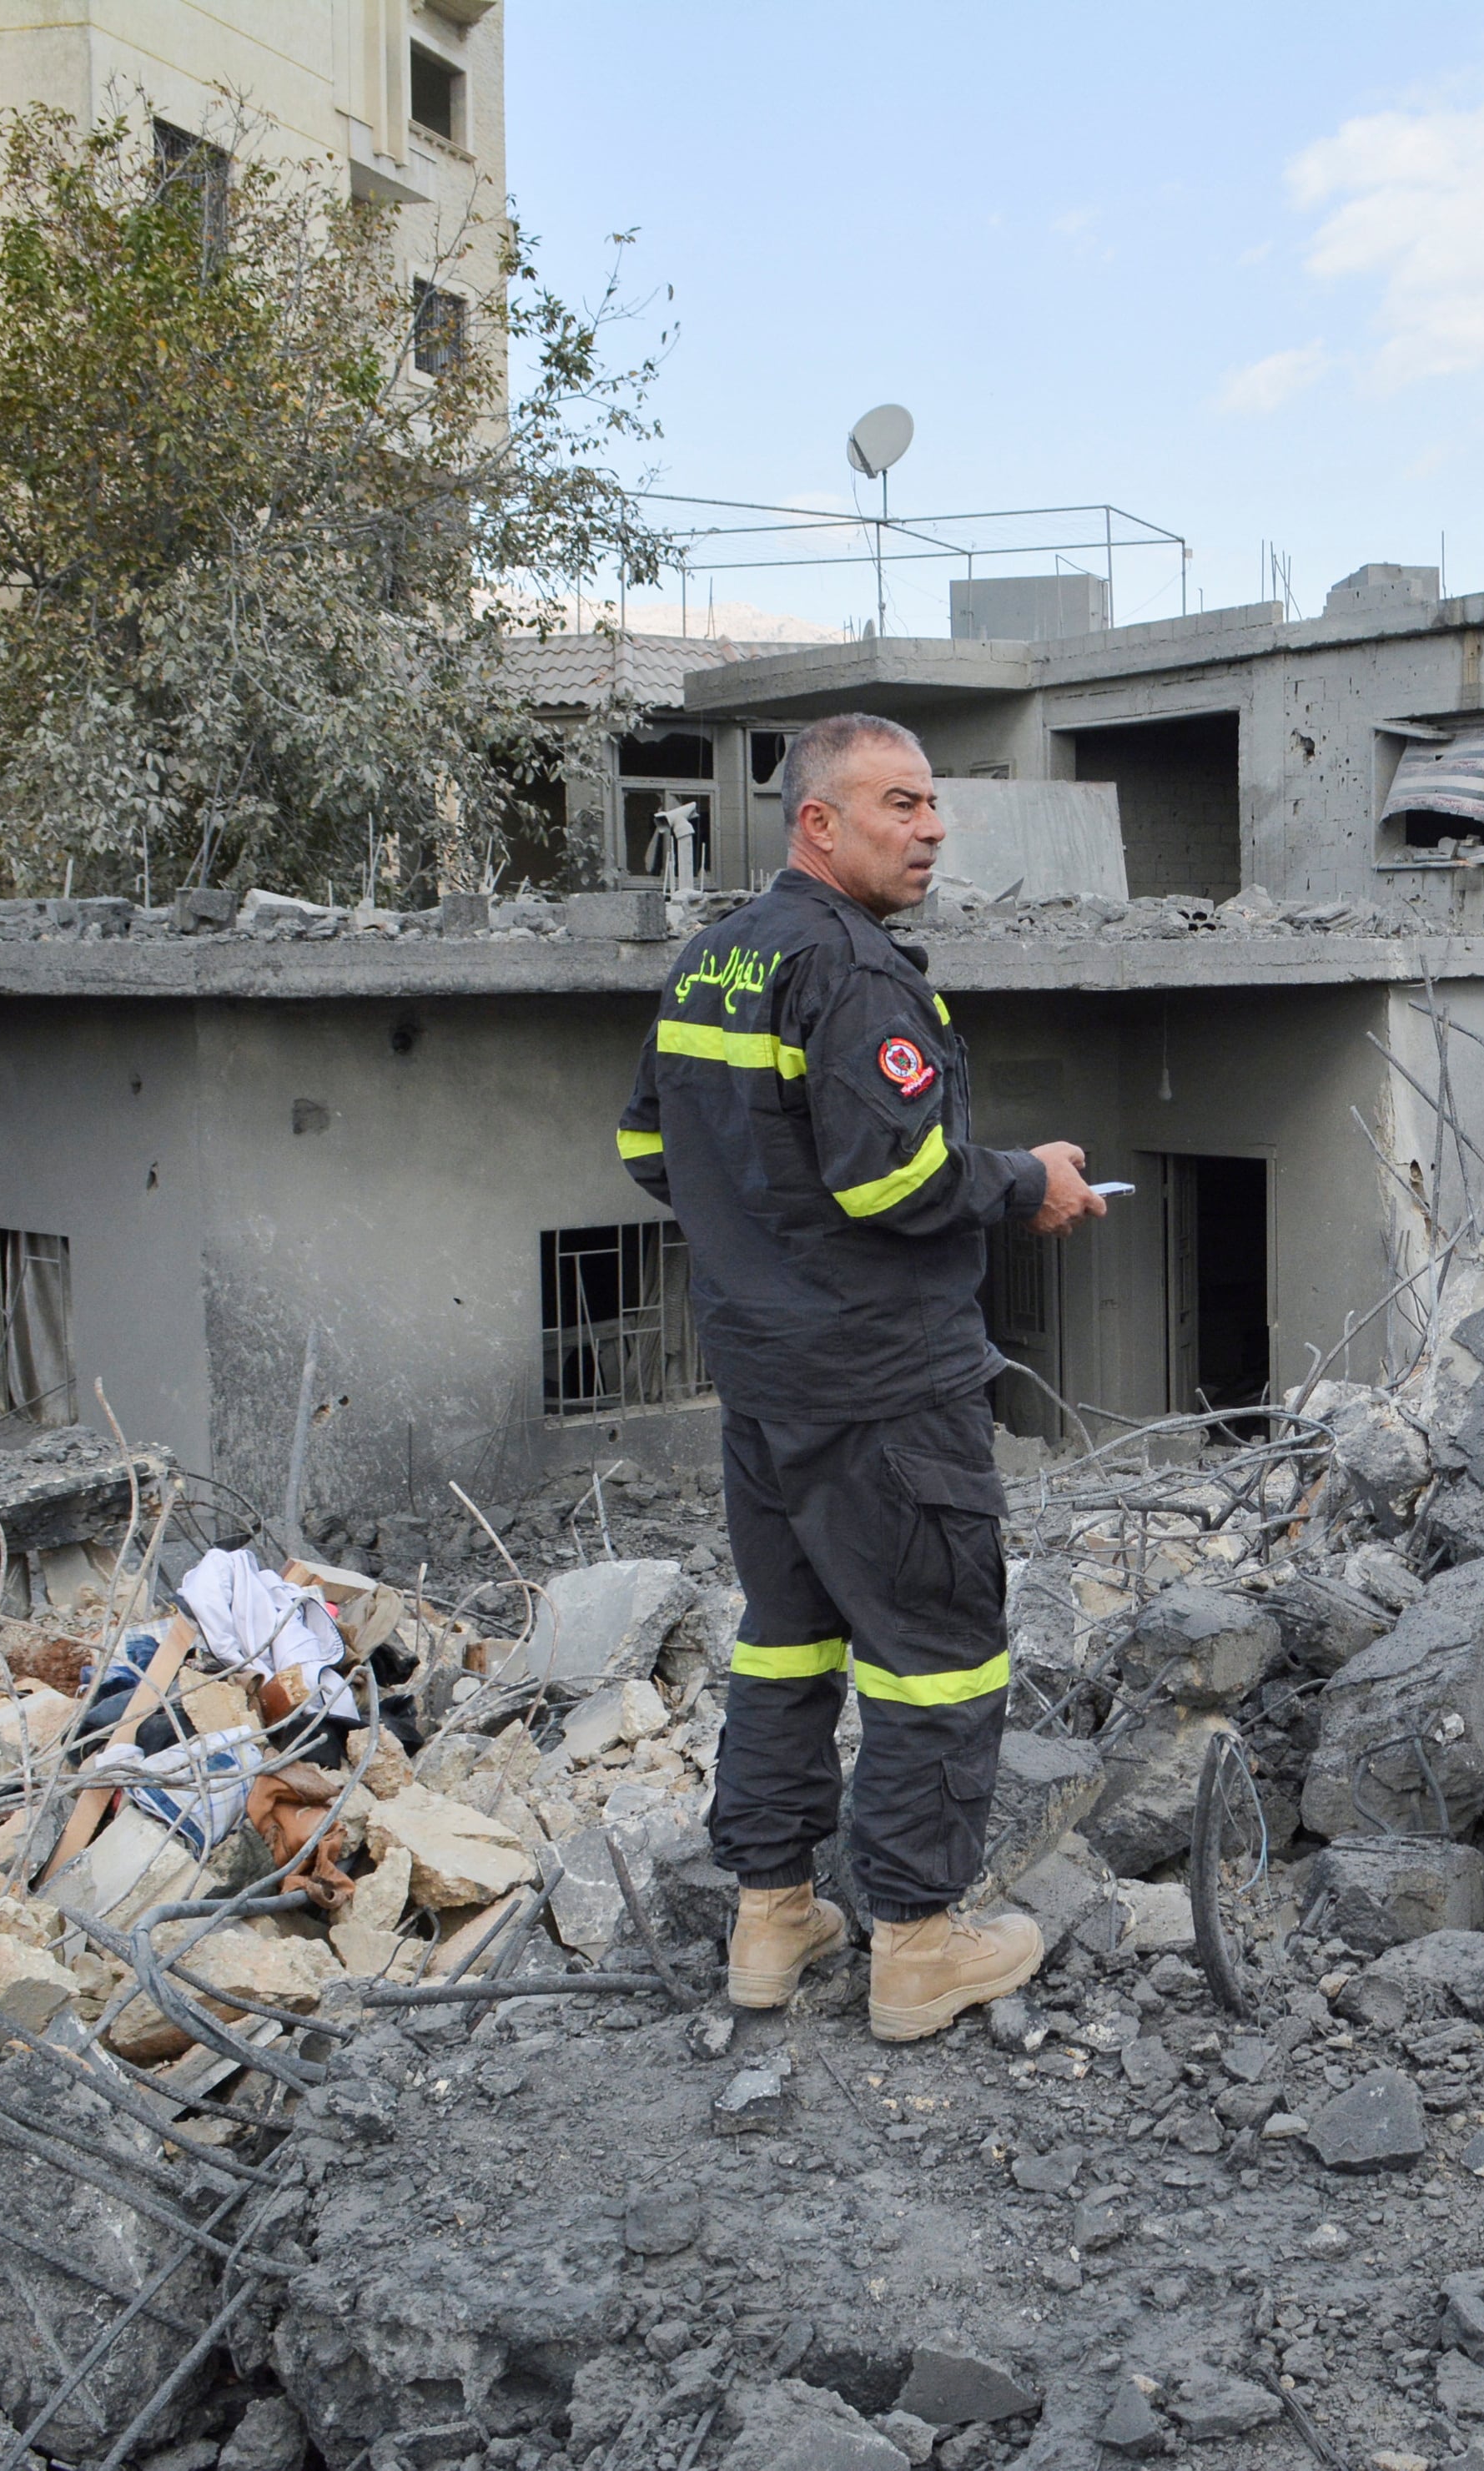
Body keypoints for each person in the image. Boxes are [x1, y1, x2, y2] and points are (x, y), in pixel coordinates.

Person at [615, 712, 1105, 2039]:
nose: (931, 826)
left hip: (764, 1380)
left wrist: (766, 1236)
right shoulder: (856, 974)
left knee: (787, 1644)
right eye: (899, 803)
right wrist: (1028, 1181)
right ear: (819, 824)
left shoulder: (712, 959)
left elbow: (648, 1144)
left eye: (933, 803)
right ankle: (916, 1944)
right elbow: (892, 1174)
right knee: (934, 1656)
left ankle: (771, 1918)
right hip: (884, 1385)